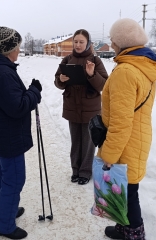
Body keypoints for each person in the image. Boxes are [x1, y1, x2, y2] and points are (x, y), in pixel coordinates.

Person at [97, 18, 156, 239]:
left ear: (122, 41)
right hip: (137, 138)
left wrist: (109, 154)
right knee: (124, 190)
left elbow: (121, 122)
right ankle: (122, 228)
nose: (111, 43)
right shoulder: (142, 65)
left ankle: (134, 234)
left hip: (126, 143)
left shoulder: (126, 71)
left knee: (128, 193)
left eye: (113, 39)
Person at [0, 26, 42, 239]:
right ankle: (4, 225)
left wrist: (28, 92)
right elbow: (17, 107)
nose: (19, 51)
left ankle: (9, 209)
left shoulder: (0, 68)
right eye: (17, 47)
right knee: (14, 179)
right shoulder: (3, 73)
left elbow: (11, 101)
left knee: (7, 176)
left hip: (2, 134)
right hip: (8, 136)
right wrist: (34, 92)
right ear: (8, 50)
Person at [54, 29, 108, 185]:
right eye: (75, 41)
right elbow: (57, 82)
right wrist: (61, 79)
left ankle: (85, 172)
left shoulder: (95, 61)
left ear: (88, 43)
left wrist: (92, 74)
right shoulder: (67, 60)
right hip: (72, 106)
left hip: (90, 108)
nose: (77, 45)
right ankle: (75, 170)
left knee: (88, 142)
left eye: (81, 42)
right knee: (75, 141)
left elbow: (104, 84)